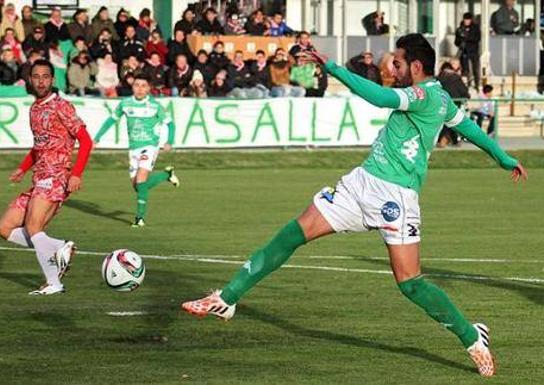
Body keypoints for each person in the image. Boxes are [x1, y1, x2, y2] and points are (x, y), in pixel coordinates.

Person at [182, 33, 528, 378]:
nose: (390, 66)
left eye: (397, 61)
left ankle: (472, 337)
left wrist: (330, 65)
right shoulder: (438, 98)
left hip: (396, 198)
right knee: (293, 234)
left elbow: (379, 98)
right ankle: (226, 299)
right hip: (359, 185)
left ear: (417, 66)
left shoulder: (422, 94)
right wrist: (503, 157)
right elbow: (467, 126)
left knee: (410, 284)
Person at [0, 59, 93, 295]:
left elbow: (87, 141)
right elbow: (39, 146)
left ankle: (54, 283)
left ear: (52, 79)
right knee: (4, 227)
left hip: (57, 175)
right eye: (36, 76)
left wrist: (76, 174)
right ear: (30, 79)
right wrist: (22, 168)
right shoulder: (34, 109)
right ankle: (59, 248)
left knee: (33, 227)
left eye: (45, 77)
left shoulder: (61, 106)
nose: (40, 81)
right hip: (39, 177)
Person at [94, 74, 179, 227]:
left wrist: (169, 141)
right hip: (133, 149)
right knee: (138, 186)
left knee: (140, 181)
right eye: (136, 85)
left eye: (143, 85)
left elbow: (171, 124)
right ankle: (166, 175)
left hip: (150, 146)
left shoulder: (155, 106)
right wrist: (97, 137)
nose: (139, 89)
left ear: (148, 89)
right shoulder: (125, 104)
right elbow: (111, 120)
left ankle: (139, 219)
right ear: (132, 87)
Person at [437, 61, 470, 147]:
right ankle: (447, 140)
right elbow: (464, 91)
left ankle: (451, 141)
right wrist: (466, 96)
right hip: (455, 101)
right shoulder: (456, 77)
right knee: (450, 120)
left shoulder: (438, 78)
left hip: (441, 101)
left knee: (447, 121)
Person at [455, 12, 481, 89]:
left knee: (475, 69)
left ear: (471, 20)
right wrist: (461, 40)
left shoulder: (475, 28)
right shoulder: (460, 29)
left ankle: (476, 84)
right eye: (465, 20)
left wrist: (467, 38)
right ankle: (467, 85)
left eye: (468, 20)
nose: (466, 21)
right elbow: (456, 42)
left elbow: (477, 38)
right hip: (464, 52)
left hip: (473, 51)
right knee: (465, 70)